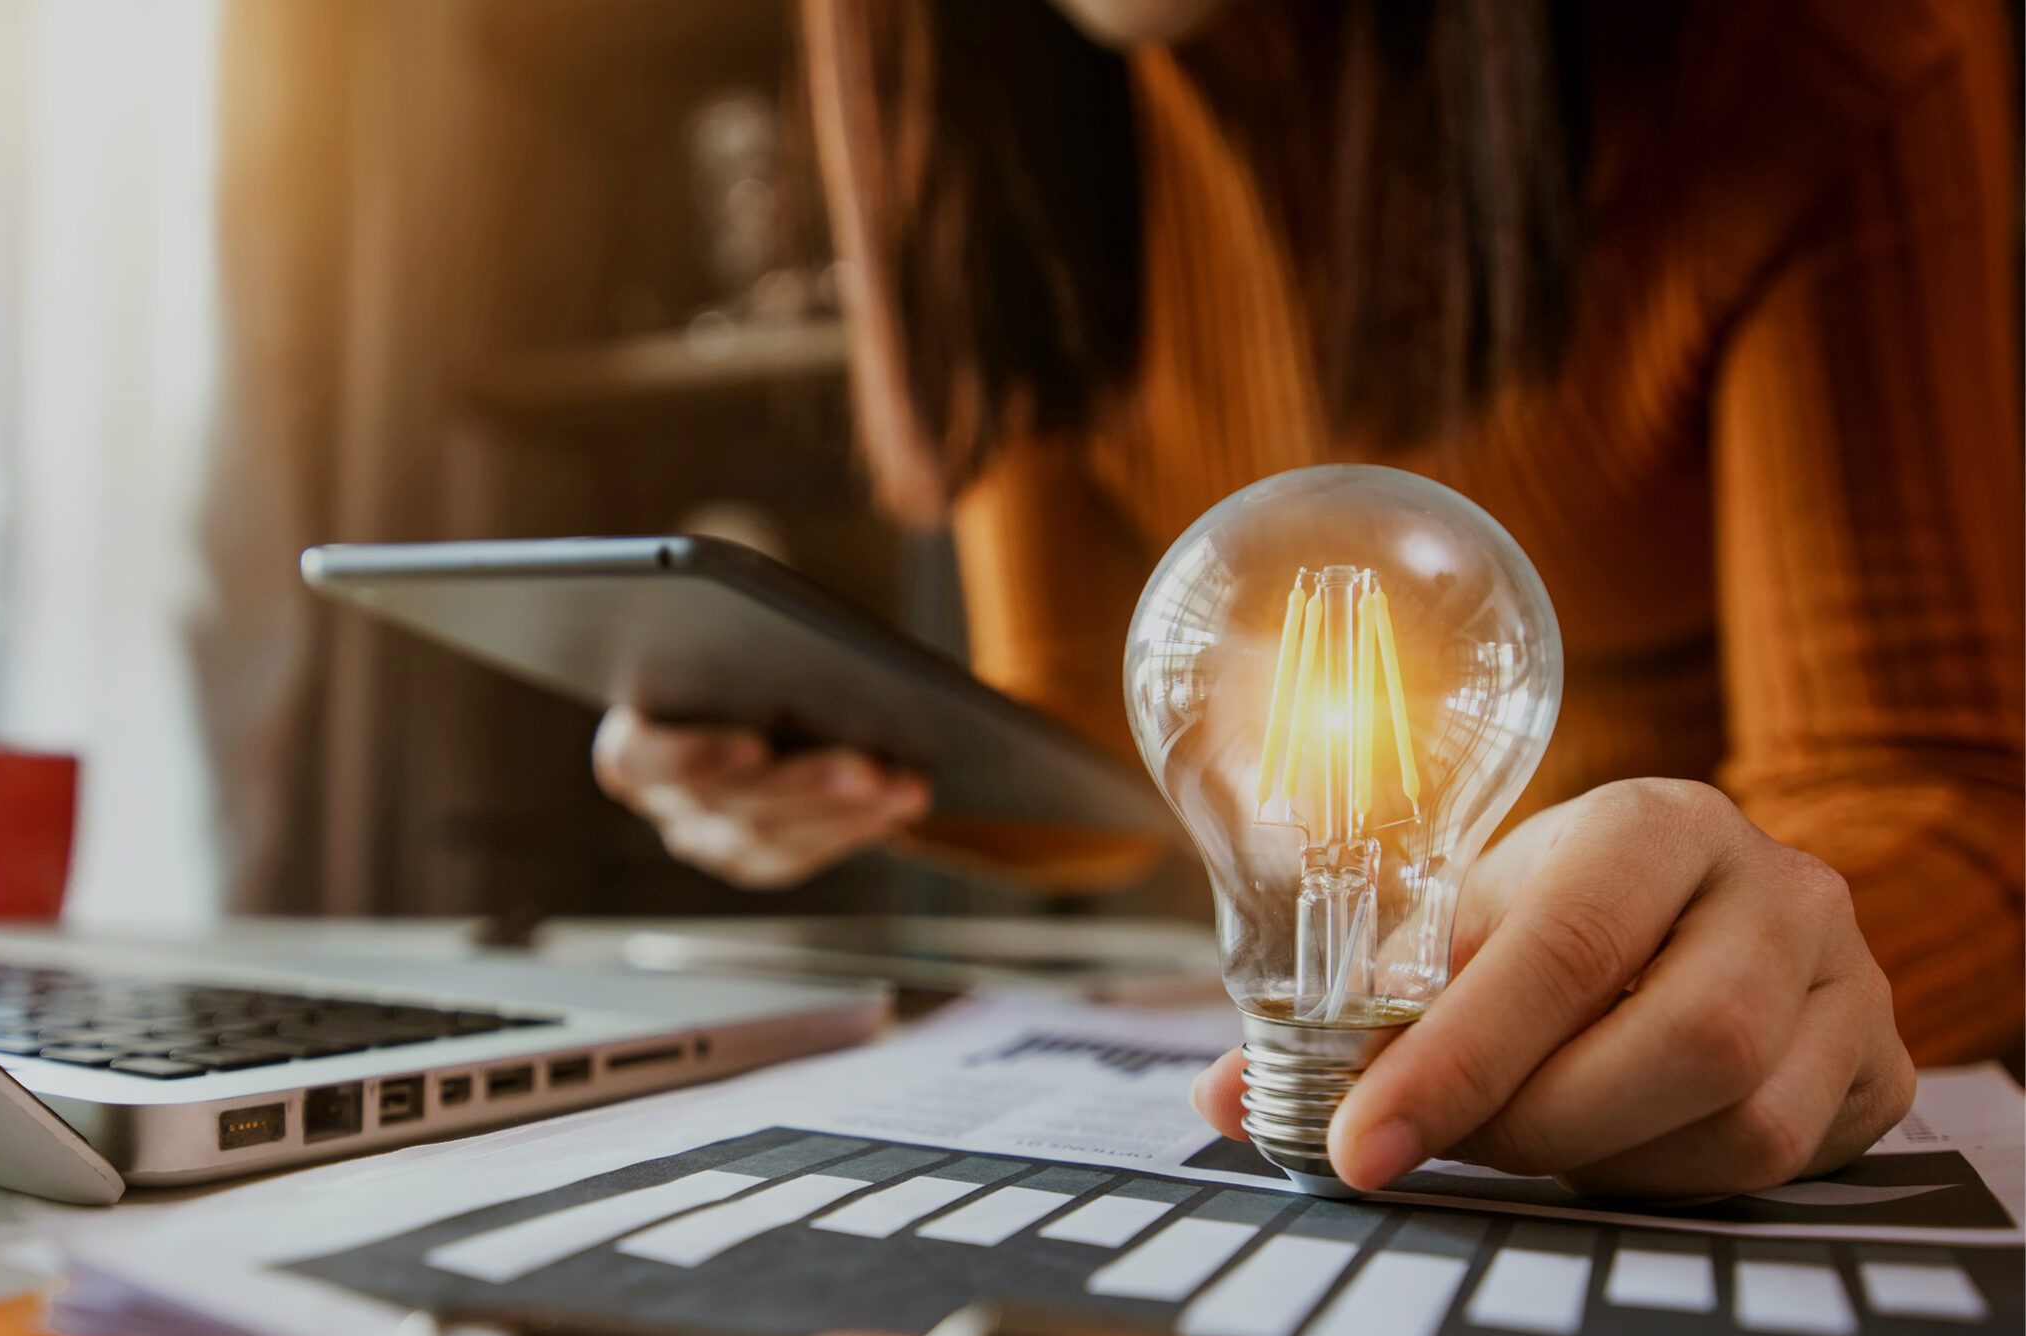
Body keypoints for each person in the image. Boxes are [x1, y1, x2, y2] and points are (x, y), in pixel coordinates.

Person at [596, 0, 2022, 1198]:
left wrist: (1740, 958)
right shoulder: (981, 96)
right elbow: (1101, 716)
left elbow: (1932, 791)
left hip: (1660, 1022)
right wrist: (848, 750)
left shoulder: (1805, 54)